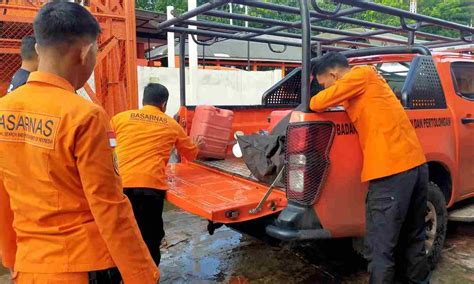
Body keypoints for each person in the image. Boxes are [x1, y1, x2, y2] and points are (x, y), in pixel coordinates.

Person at [0, 2, 159, 283]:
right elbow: (109, 206)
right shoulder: (84, 116)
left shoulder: (3, 110)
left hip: (29, 267)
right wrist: (143, 274)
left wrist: (12, 258)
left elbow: (4, 196)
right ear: (85, 51)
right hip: (80, 267)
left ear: (38, 49)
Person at [310, 52, 429, 284]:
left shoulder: (361, 74)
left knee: (380, 247)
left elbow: (318, 103)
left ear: (334, 75)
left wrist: (320, 95)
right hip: (416, 165)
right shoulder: (368, 82)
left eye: (325, 84)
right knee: (413, 238)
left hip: (391, 171)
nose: (325, 89)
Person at [111, 83, 200, 266]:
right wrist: (197, 143)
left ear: (143, 100)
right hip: (150, 189)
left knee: (119, 237)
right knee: (150, 239)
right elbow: (191, 154)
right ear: (164, 104)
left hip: (119, 186)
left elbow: (106, 145)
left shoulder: (120, 118)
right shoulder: (171, 124)